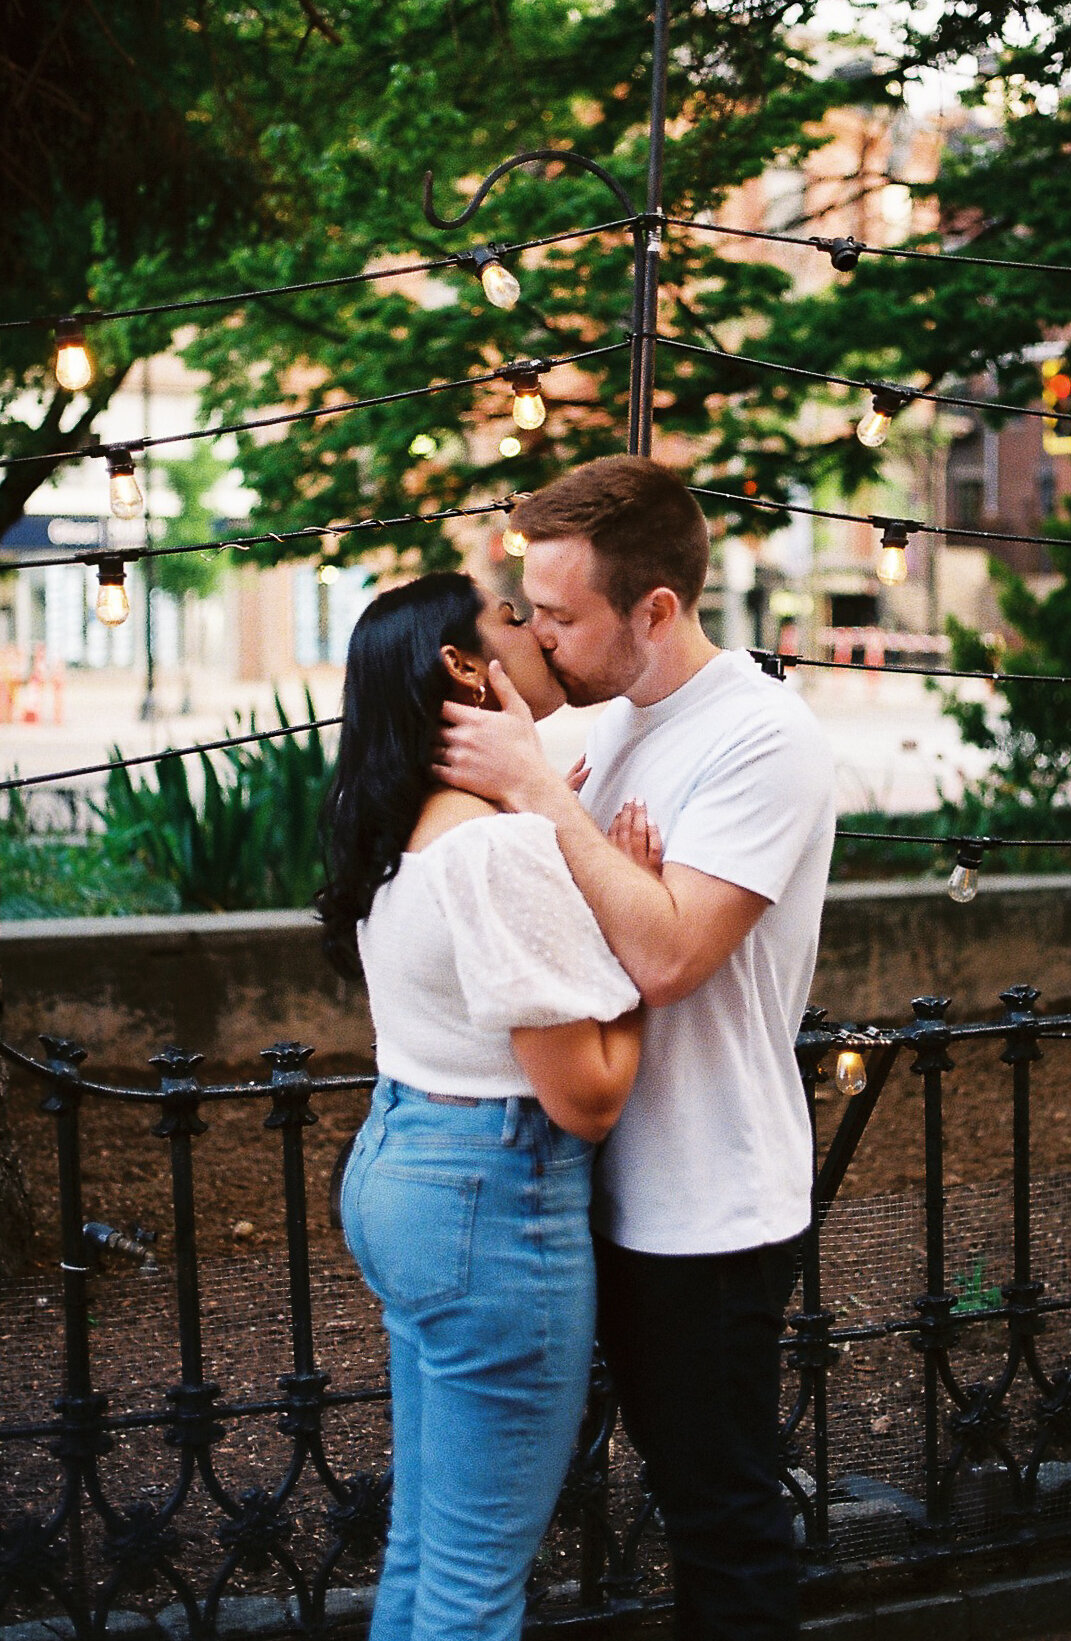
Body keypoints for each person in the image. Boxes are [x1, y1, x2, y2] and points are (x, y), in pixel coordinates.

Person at [435, 455, 836, 1640]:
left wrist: (548, 808)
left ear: (654, 608)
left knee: (721, 1519)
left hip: (706, 1205)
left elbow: (666, 958)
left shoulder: (763, 739)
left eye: (562, 614)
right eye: (534, 611)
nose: (543, 637)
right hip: (590, 1192)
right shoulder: (601, 722)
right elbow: (582, 924)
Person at [316, 571, 642, 1641]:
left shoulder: (411, 825)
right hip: (490, 1200)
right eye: (514, 617)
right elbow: (587, 1096)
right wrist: (637, 969)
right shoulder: (494, 851)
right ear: (464, 665)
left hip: (404, 1164)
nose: (539, 629)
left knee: (427, 1552)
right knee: (472, 1589)